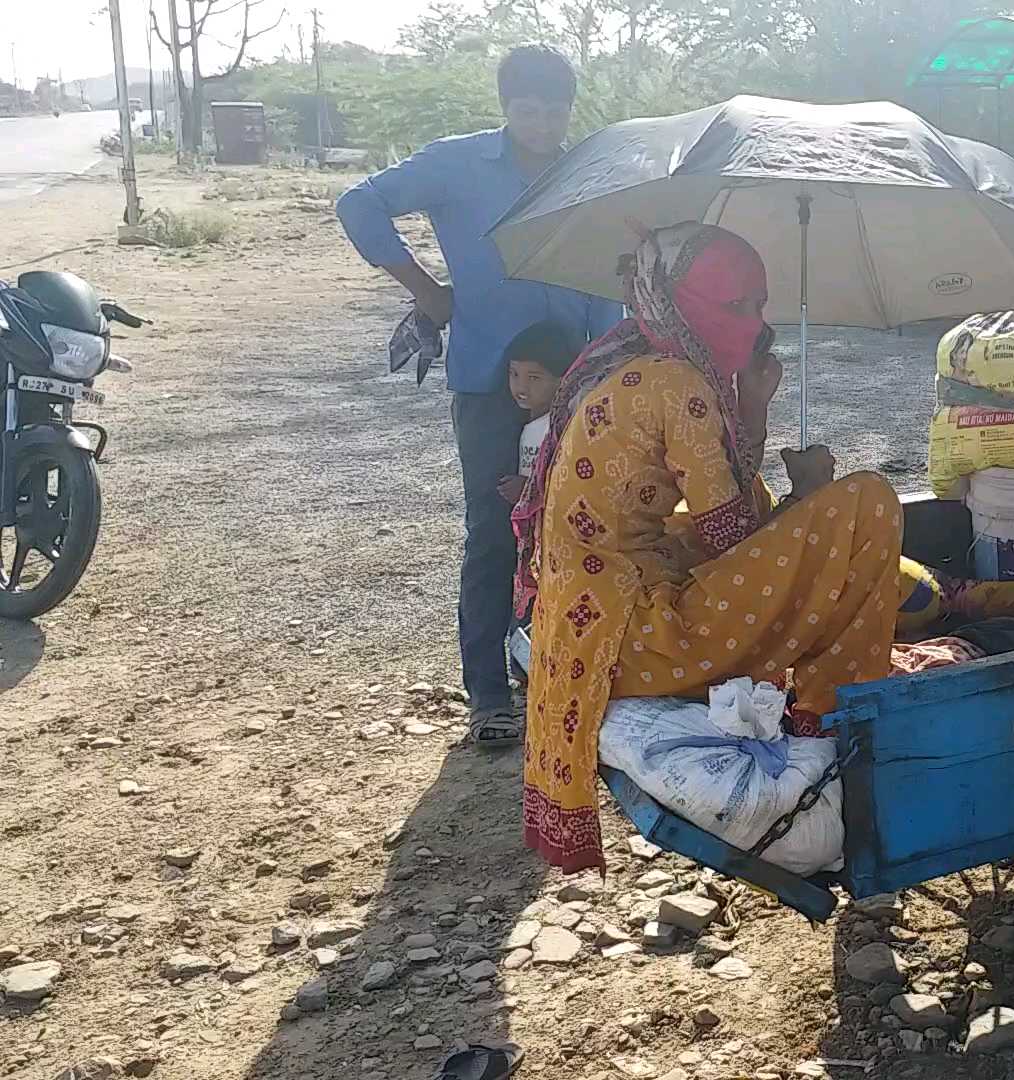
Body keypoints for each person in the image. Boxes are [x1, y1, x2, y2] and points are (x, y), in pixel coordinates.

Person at [513, 222, 905, 873]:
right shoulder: (679, 383)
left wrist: (751, 403)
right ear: (684, 303)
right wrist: (808, 497)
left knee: (752, 500)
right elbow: (734, 538)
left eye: (758, 306)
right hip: (639, 636)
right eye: (734, 306)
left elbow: (728, 493)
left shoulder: (629, 357)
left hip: (595, 625)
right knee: (868, 502)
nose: (753, 324)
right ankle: (820, 718)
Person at [336, 44, 622, 740]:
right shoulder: (455, 163)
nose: (542, 124)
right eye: (527, 109)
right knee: (496, 532)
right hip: (493, 383)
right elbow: (359, 204)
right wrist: (427, 291)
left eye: (555, 110)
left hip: (581, 382)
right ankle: (489, 695)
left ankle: (568, 674)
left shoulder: (590, 169)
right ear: (505, 108)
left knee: (582, 528)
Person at [495, 322, 577, 508]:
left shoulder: (562, 427)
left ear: (562, 379)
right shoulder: (529, 423)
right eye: (514, 374)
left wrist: (528, 489)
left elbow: (570, 483)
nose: (521, 387)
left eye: (534, 378)